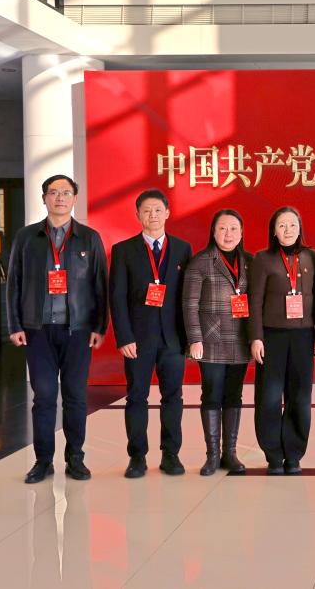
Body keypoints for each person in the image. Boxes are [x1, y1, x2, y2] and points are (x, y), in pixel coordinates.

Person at [6, 174, 109, 484]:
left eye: (66, 192)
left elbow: (100, 285)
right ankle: (43, 461)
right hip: (36, 330)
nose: (60, 198)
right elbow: (14, 283)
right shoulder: (27, 237)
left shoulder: (89, 238)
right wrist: (15, 324)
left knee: (76, 396)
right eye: (54, 192)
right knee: (44, 396)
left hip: (78, 330)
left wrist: (100, 326)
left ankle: (75, 459)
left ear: (75, 199)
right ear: (44, 198)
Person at [109, 189, 193, 478]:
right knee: (136, 397)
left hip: (173, 339)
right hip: (137, 339)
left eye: (158, 210)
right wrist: (124, 337)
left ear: (168, 213)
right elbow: (117, 297)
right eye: (146, 210)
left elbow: (188, 296)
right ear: (137, 215)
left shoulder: (182, 249)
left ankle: (171, 454)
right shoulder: (123, 250)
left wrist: (190, 337)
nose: (153, 215)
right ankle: (137, 457)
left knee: (173, 397)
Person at [248, 207, 315, 475]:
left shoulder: (312, 257)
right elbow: (254, 301)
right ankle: (273, 455)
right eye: (281, 225)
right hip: (271, 336)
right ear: (273, 231)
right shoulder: (263, 259)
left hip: (303, 336)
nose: (287, 230)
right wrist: (256, 337)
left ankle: (294, 454)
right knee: (268, 396)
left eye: (292, 224)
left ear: (300, 228)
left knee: (300, 396)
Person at [183, 209, 252, 476]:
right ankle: (212, 455)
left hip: (240, 339)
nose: (228, 234)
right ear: (213, 232)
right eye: (222, 228)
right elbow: (189, 304)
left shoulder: (250, 261)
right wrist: (195, 339)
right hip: (210, 341)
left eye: (234, 228)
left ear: (241, 233)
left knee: (234, 395)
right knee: (211, 394)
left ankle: (229, 454)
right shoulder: (200, 262)